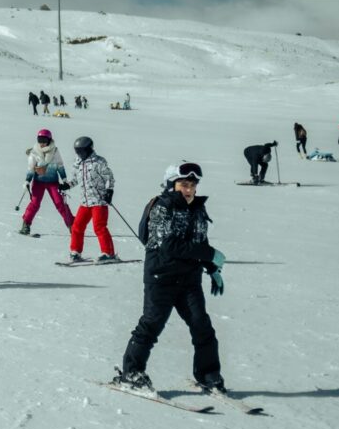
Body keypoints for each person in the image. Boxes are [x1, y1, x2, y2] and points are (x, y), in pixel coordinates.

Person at [112, 162, 226, 395]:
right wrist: (209, 254)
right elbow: (168, 245)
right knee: (151, 324)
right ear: (171, 184)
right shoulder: (162, 207)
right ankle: (131, 373)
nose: (189, 189)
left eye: (192, 185)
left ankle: (209, 375)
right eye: (184, 184)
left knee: (201, 326)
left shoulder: (197, 209)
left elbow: (198, 243)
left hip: (189, 280)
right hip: (161, 276)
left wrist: (212, 267)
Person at [69, 136, 117, 262]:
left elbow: (109, 178)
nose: (79, 154)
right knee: (77, 226)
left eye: (81, 151)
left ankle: (108, 253)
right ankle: (75, 252)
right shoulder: (78, 162)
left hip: (99, 201)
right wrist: (66, 185)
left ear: (89, 149)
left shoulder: (99, 162)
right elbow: (75, 180)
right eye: (77, 151)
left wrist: (109, 191)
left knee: (99, 227)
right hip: (85, 202)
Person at [19, 129, 74, 235]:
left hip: (53, 182)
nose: (42, 143)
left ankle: (72, 225)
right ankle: (26, 224)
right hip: (39, 182)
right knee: (35, 203)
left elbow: (60, 166)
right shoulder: (34, 152)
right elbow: (31, 169)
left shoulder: (55, 151)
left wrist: (64, 179)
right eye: (40, 140)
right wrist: (27, 181)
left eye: (44, 140)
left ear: (49, 140)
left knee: (60, 203)